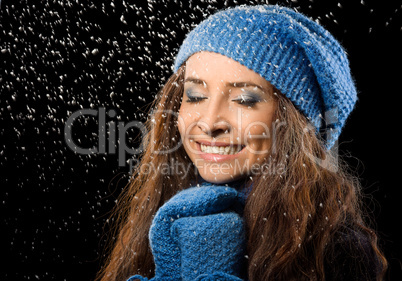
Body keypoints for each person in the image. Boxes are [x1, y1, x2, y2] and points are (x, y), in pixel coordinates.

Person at [96, 4, 387, 281]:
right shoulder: (160, 216)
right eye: (195, 96)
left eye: (245, 100)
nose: (210, 124)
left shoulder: (335, 248)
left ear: (296, 126)